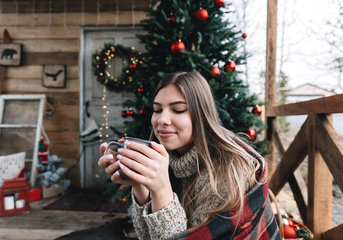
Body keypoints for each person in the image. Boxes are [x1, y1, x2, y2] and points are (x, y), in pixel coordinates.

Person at [98, 72, 281, 240]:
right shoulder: (166, 159)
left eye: (177, 110)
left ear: (201, 115)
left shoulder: (227, 174)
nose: (162, 120)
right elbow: (146, 237)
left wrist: (162, 189)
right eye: (157, 109)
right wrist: (140, 185)